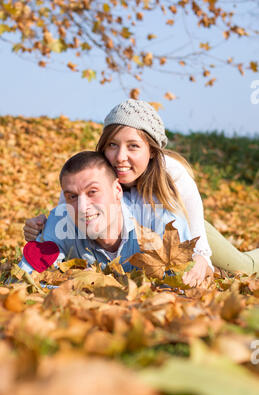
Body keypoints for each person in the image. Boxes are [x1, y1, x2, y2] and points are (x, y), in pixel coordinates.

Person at [23, 99, 259, 282]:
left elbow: (197, 247)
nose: (120, 157)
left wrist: (200, 260)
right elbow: (71, 211)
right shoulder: (94, 172)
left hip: (181, 226)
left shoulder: (174, 175)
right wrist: (40, 232)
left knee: (240, 268)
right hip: (130, 239)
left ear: (152, 151)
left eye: (133, 146)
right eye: (112, 145)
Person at [19, 151, 199, 277]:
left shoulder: (162, 223)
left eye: (92, 192)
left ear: (117, 190)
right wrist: (70, 282)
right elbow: (23, 279)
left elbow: (181, 286)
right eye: (72, 196)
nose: (82, 207)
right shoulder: (59, 222)